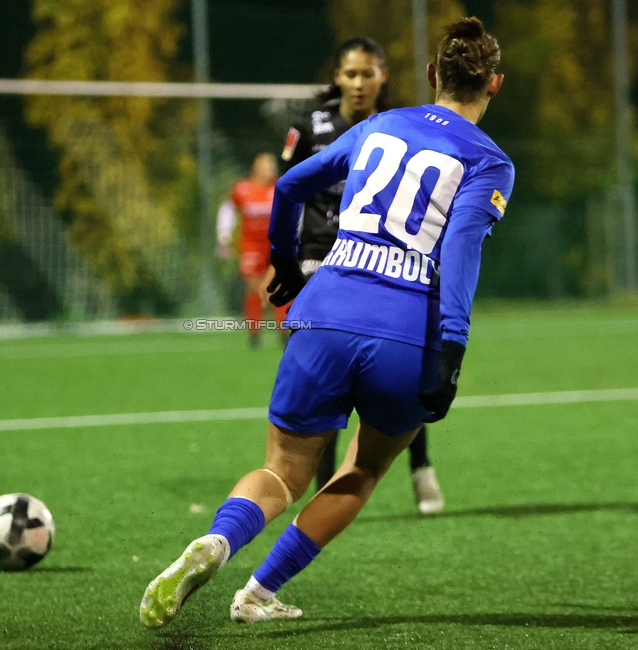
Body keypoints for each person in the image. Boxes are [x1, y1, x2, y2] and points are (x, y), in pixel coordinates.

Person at [140, 17, 512, 627]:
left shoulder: (378, 127)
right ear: (494, 84)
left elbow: (289, 185)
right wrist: (452, 351)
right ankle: (258, 594)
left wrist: (285, 261)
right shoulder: (491, 162)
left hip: (323, 315)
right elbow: (460, 249)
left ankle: (217, 542)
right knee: (362, 468)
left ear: (429, 75)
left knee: (282, 470)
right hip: (404, 334)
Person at [278, 37, 444, 513]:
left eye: (367, 74)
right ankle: (325, 483)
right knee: (323, 365)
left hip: (377, 259)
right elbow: (286, 191)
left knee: (400, 360)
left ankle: (421, 466)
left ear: (382, 76)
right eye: (349, 74)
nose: (357, 83)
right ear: (337, 77)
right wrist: (283, 255)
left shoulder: (396, 129)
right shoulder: (309, 128)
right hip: (317, 256)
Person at [216, 152, 288, 348]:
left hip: (274, 244)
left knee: (279, 287)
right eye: (267, 164)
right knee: (255, 288)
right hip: (251, 246)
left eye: (272, 164)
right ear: (256, 167)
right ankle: (254, 332)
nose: (272, 168)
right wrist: (224, 237)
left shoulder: (280, 187)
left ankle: (284, 332)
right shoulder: (243, 189)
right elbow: (228, 210)